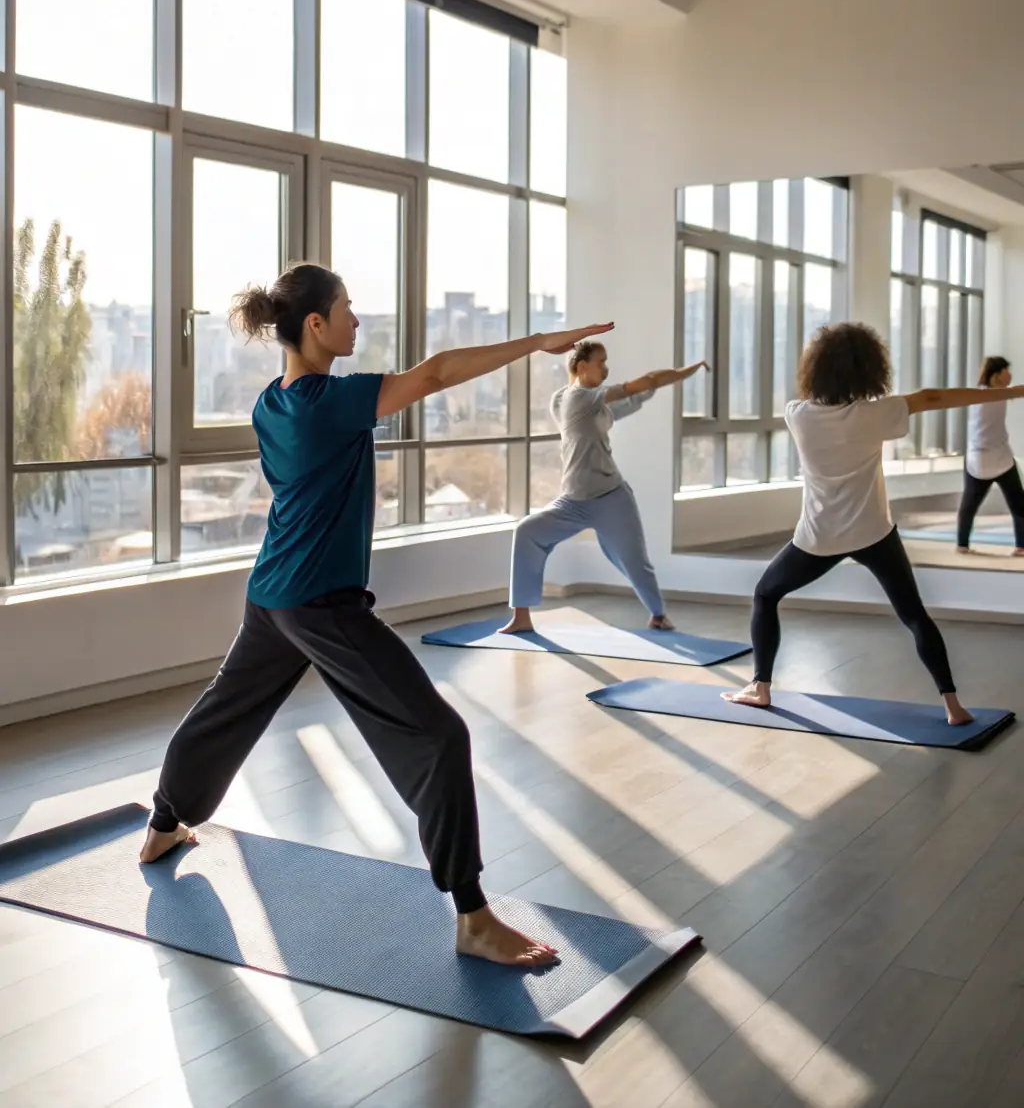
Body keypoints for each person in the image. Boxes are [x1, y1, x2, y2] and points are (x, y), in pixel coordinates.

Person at [140, 260, 613, 968]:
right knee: (440, 736)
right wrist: (538, 340)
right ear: (315, 325)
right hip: (321, 603)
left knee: (225, 708)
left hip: (271, 593)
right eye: (348, 309)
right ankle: (474, 917)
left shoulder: (271, 402)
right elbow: (437, 372)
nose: (358, 320)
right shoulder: (327, 401)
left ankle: (165, 820)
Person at [723, 322, 1024, 726]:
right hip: (875, 534)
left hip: (818, 539)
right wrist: (1011, 392)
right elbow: (933, 397)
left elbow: (815, 398)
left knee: (765, 595)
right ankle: (953, 706)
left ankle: (759, 687)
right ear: (872, 369)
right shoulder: (877, 413)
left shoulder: (798, 415)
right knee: (914, 614)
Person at [499, 340, 709, 636]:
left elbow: (637, 395)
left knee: (634, 561)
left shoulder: (594, 405)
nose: (607, 368)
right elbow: (645, 381)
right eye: (601, 362)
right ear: (582, 367)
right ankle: (521, 617)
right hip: (572, 501)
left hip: (612, 499)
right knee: (527, 532)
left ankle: (658, 614)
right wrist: (684, 371)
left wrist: (677, 376)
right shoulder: (574, 398)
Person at [956, 355, 1024, 557]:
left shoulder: (995, 393)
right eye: (1006, 370)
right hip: (987, 459)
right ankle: (1021, 546)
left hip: (990, 458)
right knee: (1018, 504)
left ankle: (962, 545)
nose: (1010, 374)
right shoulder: (986, 396)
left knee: (970, 505)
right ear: (997, 375)